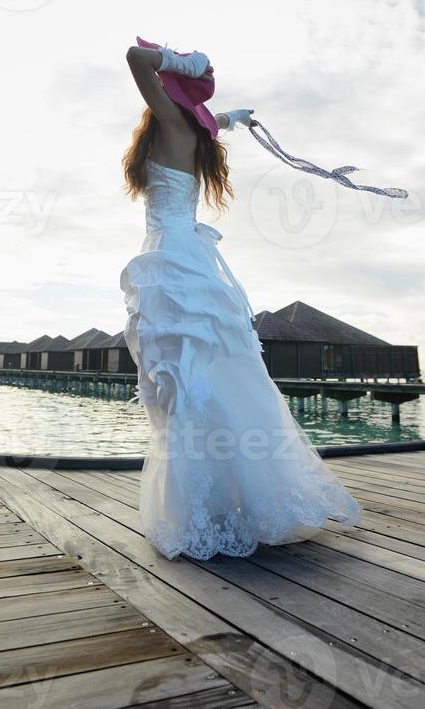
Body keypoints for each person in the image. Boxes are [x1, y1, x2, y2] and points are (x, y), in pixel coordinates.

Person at [120, 41, 363, 561]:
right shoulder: (189, 131)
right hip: (187, 258)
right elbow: (210, 123)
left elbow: (135, 59)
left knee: (184, 381)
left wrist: (183, 64)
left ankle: (205, 507)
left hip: (171, 260)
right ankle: (241, 498)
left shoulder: (169, 124)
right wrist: (230, 117)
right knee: (211, 372)